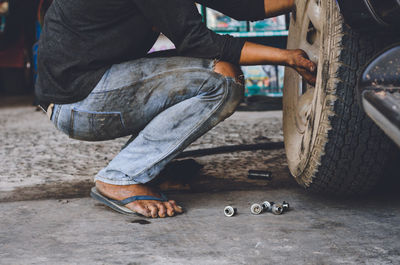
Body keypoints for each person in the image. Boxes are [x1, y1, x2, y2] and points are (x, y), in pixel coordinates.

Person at [35, 0, 316, 218]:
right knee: (223, 80)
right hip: (79, 103)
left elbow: (243, 6)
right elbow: (199, 41)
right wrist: (287, 57)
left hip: (86, 91)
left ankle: (146, 167)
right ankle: (121, 177)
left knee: (215, 71)